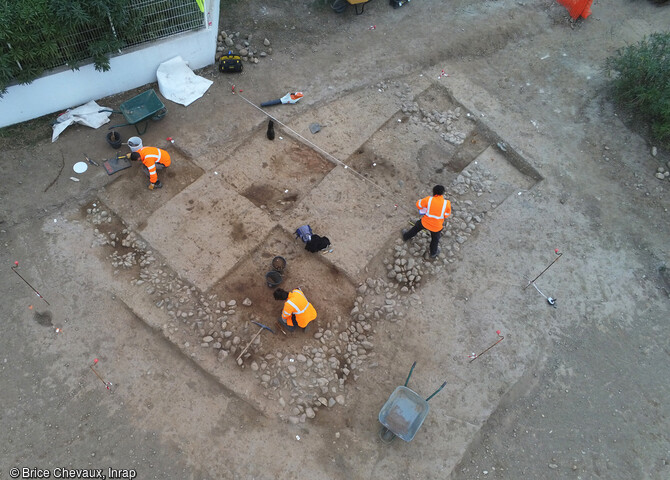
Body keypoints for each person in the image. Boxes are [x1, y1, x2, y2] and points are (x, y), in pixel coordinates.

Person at [402, 185, 452, 258]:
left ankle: (406, 236)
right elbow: (447, 214)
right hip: (436, 227)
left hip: (425, 222)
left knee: (415, 228)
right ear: (442, 193)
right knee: (435, 240)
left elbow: (418, 204)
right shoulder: (446, 203)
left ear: (433, 192)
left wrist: (424, 204)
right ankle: (433, 253)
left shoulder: (429, 200)